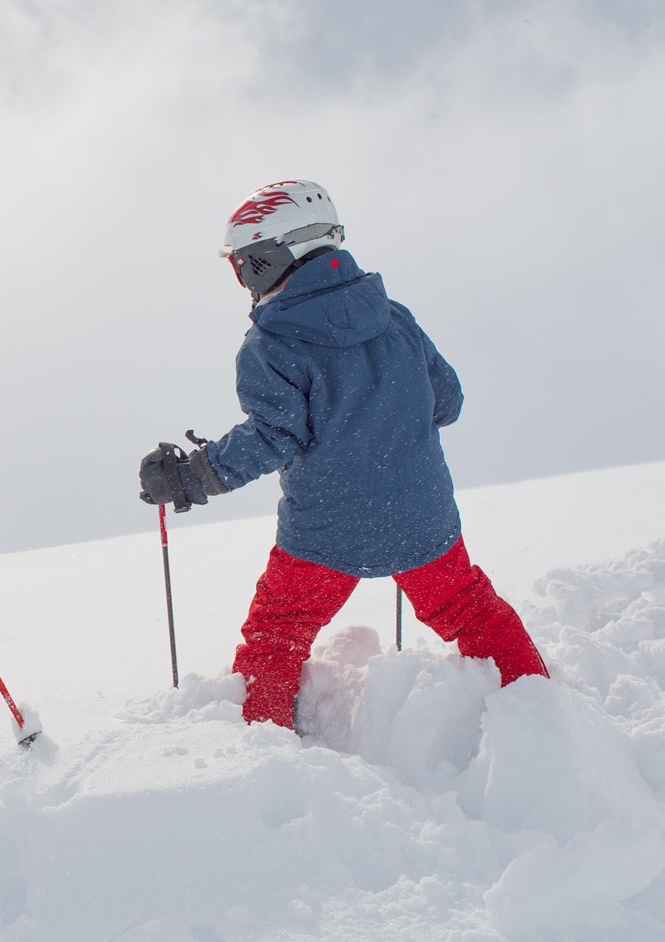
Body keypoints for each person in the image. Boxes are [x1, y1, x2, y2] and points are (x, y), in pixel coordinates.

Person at [138, 179, 548, 729]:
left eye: (244, 266)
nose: (244, 282)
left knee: (278, 633)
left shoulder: (271, 345)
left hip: (326, 534)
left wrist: (192, 477)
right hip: (422, 521)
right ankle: (542, 711)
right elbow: (446, 401)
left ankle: (262, 747)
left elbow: (272, 438)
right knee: (472, 612)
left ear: (272, 258)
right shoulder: (396, 318)